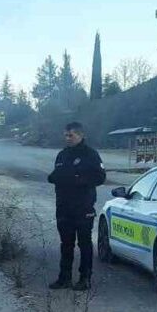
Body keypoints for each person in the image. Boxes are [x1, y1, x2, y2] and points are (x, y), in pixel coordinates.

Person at [47, 121, 106, 291]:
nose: (67, 138)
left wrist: (78, 180)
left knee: (85, 243)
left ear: (80, 135)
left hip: (83, 207)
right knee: (66, 243)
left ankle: (84, 278)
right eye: (65, 135)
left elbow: (100, 177)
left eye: (71, 135)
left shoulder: (90, 155)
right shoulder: (62, 155)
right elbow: (56, 174)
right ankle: (64, 277)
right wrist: (53, 178)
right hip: (64, 207)